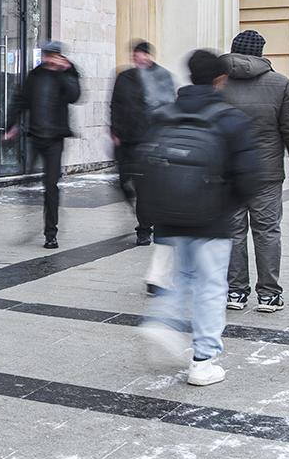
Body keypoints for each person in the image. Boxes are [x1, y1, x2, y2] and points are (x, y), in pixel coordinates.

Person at [138, 49, 259, 387]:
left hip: (169, 215)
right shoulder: (230, 119)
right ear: (221, 79)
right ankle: (203, 361)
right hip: (212, 219)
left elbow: (141, 163)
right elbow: (251, 175)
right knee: (210, 287)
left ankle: (163, 320)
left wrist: (153, 209)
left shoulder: (165, 114)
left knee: (180, 276)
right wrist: (228, 204)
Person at [220, 30, 289, 314]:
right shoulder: (279, 83)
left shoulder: (218, 83)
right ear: (260, 53)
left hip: (229, 172)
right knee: (267, 231)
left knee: (233, 231)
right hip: (265, 173)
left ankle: (235, 292)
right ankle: (269, 295)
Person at [6, 40, 82, 249]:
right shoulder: (35, 75)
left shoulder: (67, 75)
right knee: (29, 181)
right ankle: (31, 220)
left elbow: (75, 96)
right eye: (46, 55)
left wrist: (66, 72)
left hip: (55, 139)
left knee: (50, 186)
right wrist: (11, 125)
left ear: (59, 56)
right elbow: (20, 101)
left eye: (52, 55)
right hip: (36, 137)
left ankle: (51, 233)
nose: (48, 59)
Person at [110, 40, 175, 245]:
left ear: (149, 56)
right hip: (124, 140)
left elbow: (169, 107)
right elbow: (114, 104)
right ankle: (143, 213)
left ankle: (144, 229)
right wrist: (114, 130)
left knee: (143, 187)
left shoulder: (162, 76)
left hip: (148, 140)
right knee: (123, 182)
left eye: (143, 54)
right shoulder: (124, 77)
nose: (139, 58)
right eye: (136, 54)